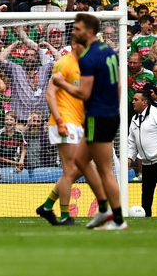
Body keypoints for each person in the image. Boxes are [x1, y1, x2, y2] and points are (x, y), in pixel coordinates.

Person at [51, 13, 123, 229]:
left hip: (98, 116)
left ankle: (116, 218)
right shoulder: (108, 51)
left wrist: (61, 83)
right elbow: (118, 85)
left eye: (77, 29)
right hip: (108, 114)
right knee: (80, 163)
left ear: (89, 32)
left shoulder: (89, 57)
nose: (73, 32)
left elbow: (83, 93)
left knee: (105, 169)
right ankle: (103, 210)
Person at [37, 39, 109, 226]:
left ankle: (47, 205)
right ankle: (64, 215)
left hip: (76, 123)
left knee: (79, 167)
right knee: (70, 169)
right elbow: (50, 93)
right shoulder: (64, 62)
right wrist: (59, 121)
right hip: (64, 122)